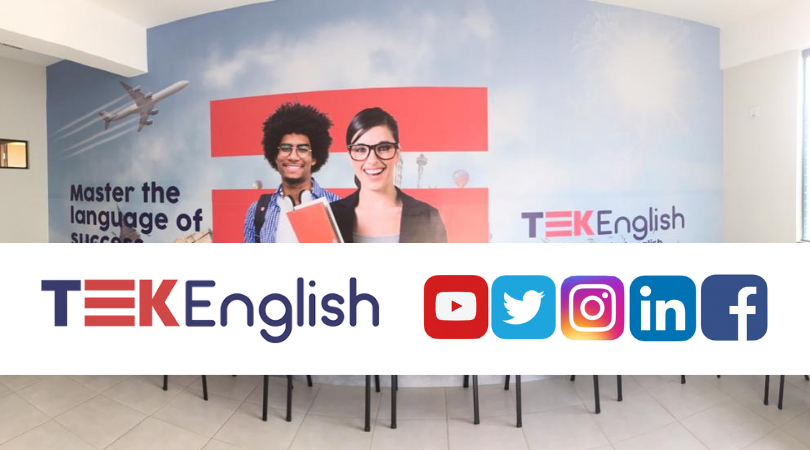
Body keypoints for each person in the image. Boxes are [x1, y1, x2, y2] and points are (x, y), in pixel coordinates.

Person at [330, 107, 447, 243]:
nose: (372, 160)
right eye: (361, 149)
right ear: (350, 156)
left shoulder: (428, 218)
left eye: (383, 148)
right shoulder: (330, 216)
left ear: (397, 154)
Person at [244, 103, 341, 243]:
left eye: (302, 149)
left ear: (314, 158)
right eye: (285, 148)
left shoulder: (337, 206)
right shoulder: (257, 211)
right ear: (275, 156)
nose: (293, 157)